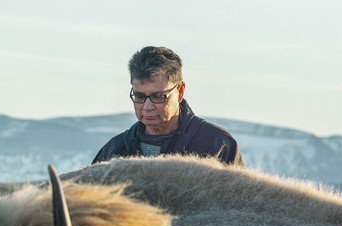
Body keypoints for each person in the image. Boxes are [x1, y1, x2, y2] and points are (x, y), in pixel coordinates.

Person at [92, 46, 243, 165]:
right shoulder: (114, 152)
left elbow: (240, 201)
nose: (147, 106)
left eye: (158, 96)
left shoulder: (217, 146)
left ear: (180, 91)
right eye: (140, 96)